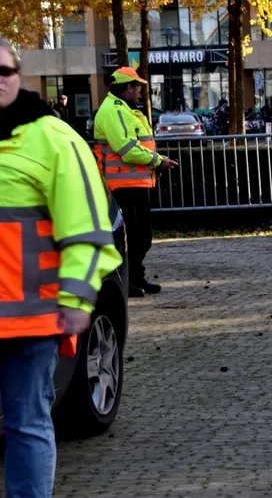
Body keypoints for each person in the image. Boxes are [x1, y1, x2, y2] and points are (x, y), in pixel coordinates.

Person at [0, 39, 122, 498]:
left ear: (19, 75)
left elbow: (86, 229)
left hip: (29, 320)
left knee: (26, 421)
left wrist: (75, 300)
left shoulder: (53, 138)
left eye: (4, 71)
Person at [93, 67, 177, 298]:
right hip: (123, 186)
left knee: (140, 236)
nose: (140, 90)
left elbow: (134, 146)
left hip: (133, 184)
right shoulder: (113, 110)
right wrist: (158, 161)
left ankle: (135, 278)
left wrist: (156, 162)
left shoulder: (121, 109)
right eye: (137, 86)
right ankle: (127, 282)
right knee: (134, 237)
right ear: (128, 87)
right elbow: (127, 149)